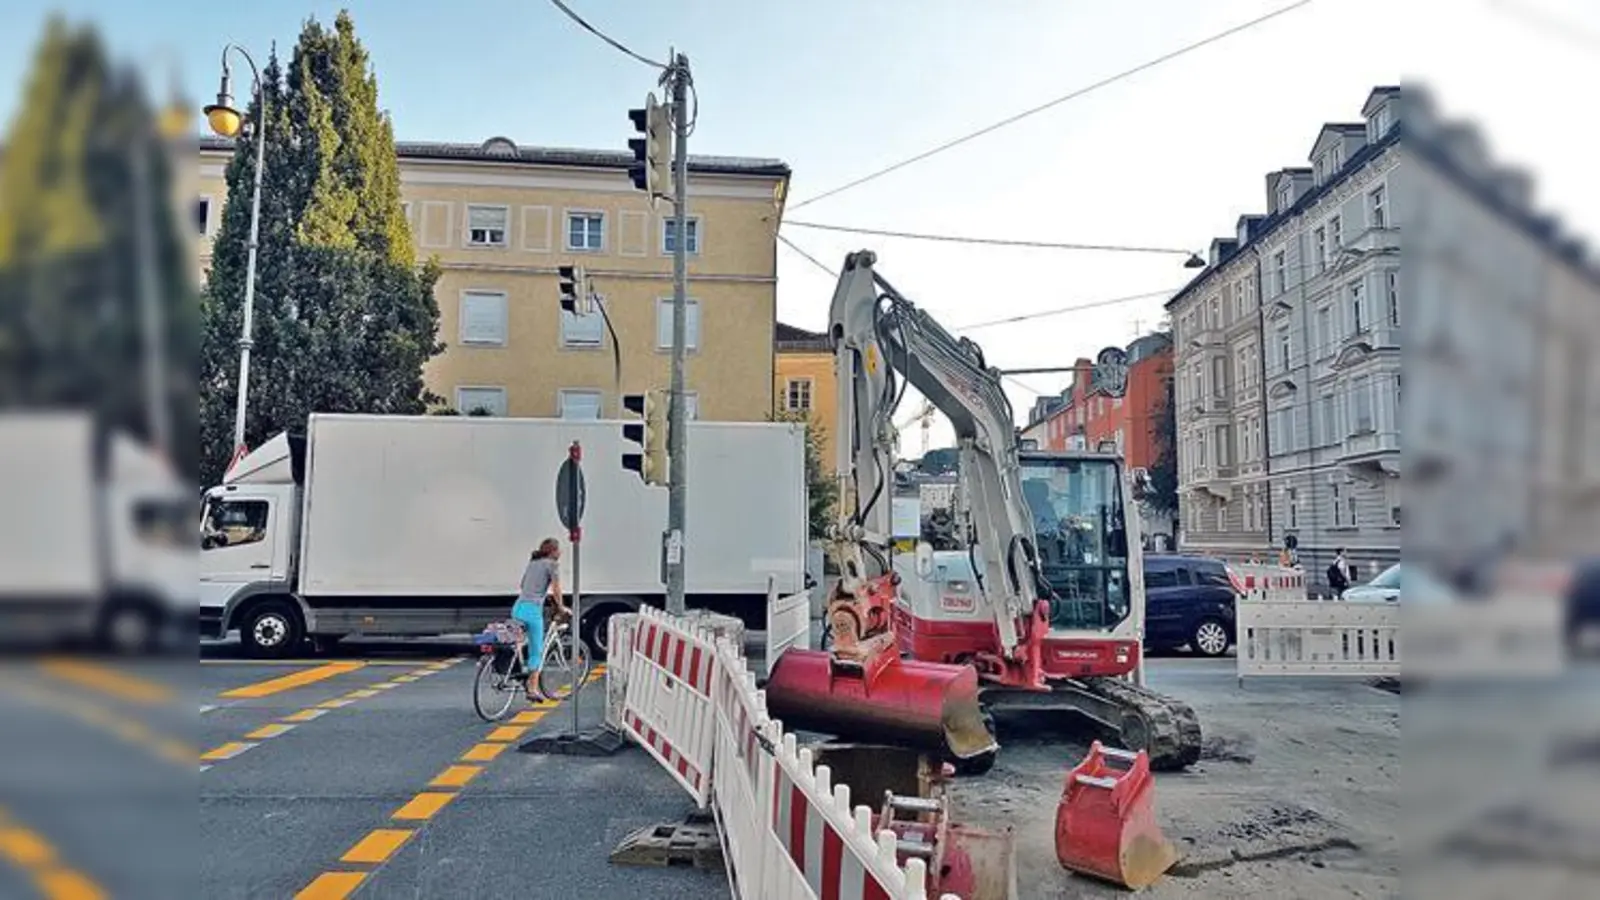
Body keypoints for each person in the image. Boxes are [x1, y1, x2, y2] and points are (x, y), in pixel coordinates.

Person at [513, 538, 567, 701]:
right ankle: (533, 689)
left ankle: (518, 668)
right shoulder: (552, 564)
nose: (560, 553)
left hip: (518, 607)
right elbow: (556, 588)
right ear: (553, 551)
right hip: (532, 611)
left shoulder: (533, 563)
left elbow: (524, 586)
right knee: (536, 650)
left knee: (520, 642)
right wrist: (561, 606)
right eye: (559, 550)